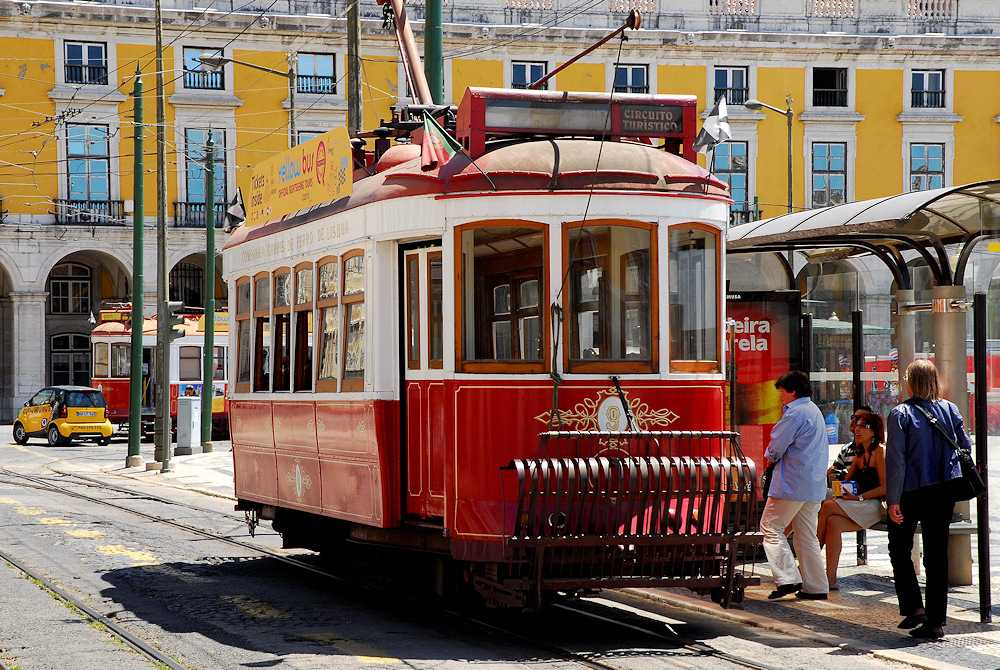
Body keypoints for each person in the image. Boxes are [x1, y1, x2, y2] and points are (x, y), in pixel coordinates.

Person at [886, 359, 967, 639]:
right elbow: (965, 447)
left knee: (899, 548)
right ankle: (936, 622)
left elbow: (896, 460)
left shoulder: (900, 413)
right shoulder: (949, 409)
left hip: (910, 491)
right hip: (943, 491)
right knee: (936, 556)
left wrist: (893, 499)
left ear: (909, 382)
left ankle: (914, 607)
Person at [761, 370, 830, 601]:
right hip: (813, 485)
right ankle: (816, 586)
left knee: (770, 526)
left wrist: (769, 455)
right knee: (806, 536)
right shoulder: (814, 411)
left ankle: (788, 578)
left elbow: (776, 448)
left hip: (791, 483)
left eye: (781, 391)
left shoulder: (794, 414)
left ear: (792, 391)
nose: (780, 396)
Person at [817, 410, 887, 590]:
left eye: (863, 425)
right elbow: (845, 484)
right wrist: (843, 491)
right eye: (856, 425)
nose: (857, 428)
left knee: (827, 507)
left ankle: (811, 562)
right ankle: (830, 578)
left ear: (874, 431)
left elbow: (885, 488)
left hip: (873, 505)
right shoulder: (859, 454)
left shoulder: (880, 451)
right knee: (832, 523)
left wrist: (859, 496)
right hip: (857, 504)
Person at [827, 406, 874, 487]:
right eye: (853, 417)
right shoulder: (847, 449)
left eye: (860, 418)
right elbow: (832, 471)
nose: (854, 420)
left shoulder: (876, 450)